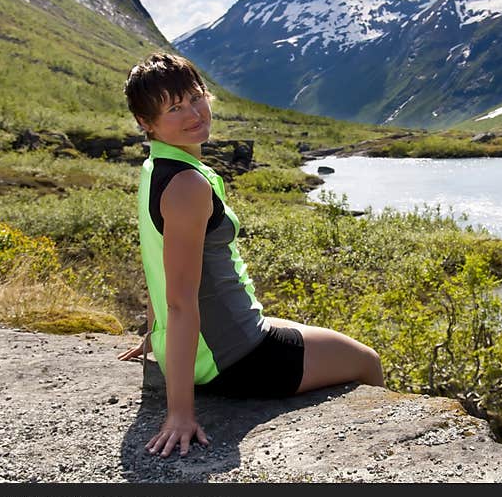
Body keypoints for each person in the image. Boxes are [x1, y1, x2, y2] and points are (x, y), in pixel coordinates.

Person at [118, 52, 384, 459]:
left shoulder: (158, 166)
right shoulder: (188, 185)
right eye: (174, 108)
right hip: (234, 359)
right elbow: (180, 300)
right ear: (146, 122)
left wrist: (156, 335)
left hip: (210, 344)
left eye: (194, 97)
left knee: (304, 331)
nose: (193, 113)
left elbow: (156, 256)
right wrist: (180, 415)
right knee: (367, 361)